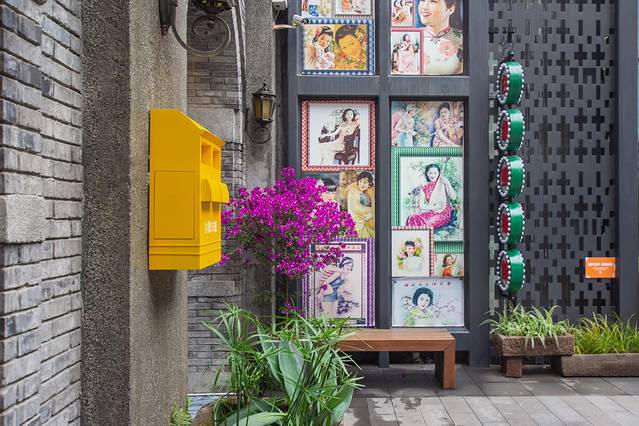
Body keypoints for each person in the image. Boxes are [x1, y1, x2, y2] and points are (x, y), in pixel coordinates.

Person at [417, 0, 463, 75]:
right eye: (422, 0)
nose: (424, 7)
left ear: (451, 9)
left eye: (433, 1)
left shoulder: (464, 39)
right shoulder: (412, 36)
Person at [406, 162, 457, 230]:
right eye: (430, 173)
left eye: (435, 173)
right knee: (411, 218)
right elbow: (421, 205)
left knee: (423, 223)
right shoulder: (424, 187)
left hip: (443, 214)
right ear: (427, 173)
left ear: (438, 173)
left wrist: (447, 183)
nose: (433, 175)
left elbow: (454, 197)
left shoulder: (442, 183)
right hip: (432, 213)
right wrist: (435, 207)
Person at [347, 172, 375, 237]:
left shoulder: (364, 195)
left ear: (369, 184)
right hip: (356, 224)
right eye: (360, 181)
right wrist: (373, 211)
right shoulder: (352, 192)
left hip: (364, 223)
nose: (362, 184)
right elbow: (357, 208)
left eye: (365, 182)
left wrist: (371, 214)